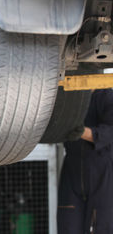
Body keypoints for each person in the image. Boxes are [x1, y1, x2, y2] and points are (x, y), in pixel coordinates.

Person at [57, 88, 113, 234]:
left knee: (100, 226)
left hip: (100, 172)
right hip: (72, 171)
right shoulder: (69, 95)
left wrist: (83, 132)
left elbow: (110, 132)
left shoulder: (106, 96)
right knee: (67, 225)